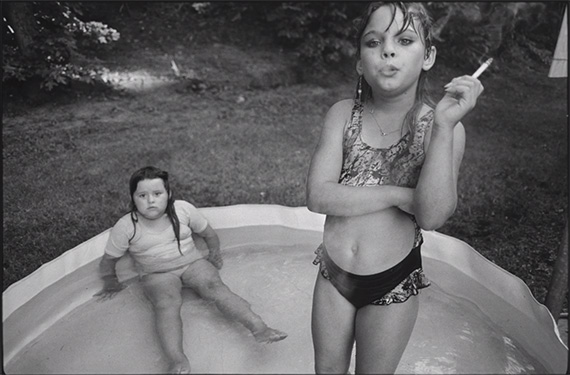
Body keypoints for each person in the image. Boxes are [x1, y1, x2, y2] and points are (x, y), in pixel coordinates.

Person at [306, 2, 484, 373]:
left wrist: (444, 128)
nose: (387, 50)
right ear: (359, 62)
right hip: (333, 273)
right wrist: (400, 195)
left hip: (391, 282)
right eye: (374, 42)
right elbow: (318, 196)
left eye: (404, 40)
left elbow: (432, 214)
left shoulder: (439, 128)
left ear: (429, 56)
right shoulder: (342, 115)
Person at [94, 166, 287, 374]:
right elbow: (108, 260)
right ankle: (177, 359)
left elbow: (209, 234)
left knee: (215, 287)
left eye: (157, 194)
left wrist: (214, 253)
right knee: (166, 303)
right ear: (133, 198)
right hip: (157, 274)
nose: (150, 201)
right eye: (142, 195)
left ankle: (258, 327)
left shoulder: (183, 210)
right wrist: (110, 281)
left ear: (169, 195)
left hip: (192, 263)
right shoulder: (126, 226)